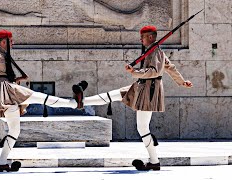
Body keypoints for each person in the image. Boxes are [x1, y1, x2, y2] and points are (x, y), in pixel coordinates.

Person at [0, 29, 84, 172]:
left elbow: (3, 74)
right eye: (11, 41)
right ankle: (73, 103)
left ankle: (2, 163)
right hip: (6, 90)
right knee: (39, 97)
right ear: (4, 42)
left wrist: (19, 79)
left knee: (15, 130)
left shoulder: (4, 55)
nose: (13, 43)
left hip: (6, 90)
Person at [77, 25, 193, 171]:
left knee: (142, 127)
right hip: (140, 86)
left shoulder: (156, 52)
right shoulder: (154, 51)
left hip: (148, 91)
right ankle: (82, 101)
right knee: (114, 94)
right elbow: (170, 67)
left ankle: (154, 161)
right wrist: (182, 81)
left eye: (143, 37)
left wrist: (135, 71)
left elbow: (154, 71)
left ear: (150, 37)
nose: (140, 39)